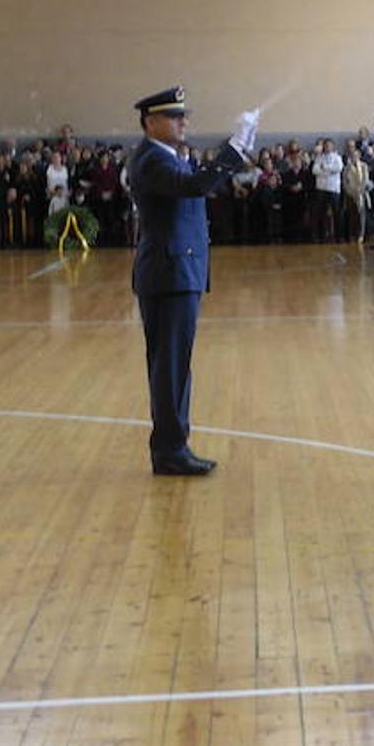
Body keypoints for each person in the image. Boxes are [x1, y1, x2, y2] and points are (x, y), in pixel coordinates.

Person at [125, 86, 254, 476]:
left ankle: (172, 445)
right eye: (174, 115)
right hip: (169, 274)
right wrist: (232, 150)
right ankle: (169, 449)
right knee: (170, 367)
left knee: (175, 366)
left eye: (183, 115)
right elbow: (194, 186)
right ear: (150, 122)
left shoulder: (168, 156)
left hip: (177, 272)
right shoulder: (152, 160)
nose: (184, 121)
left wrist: (234, 152)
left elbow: (196, 183)